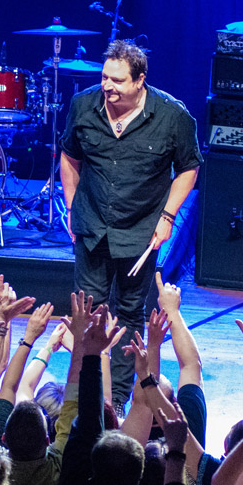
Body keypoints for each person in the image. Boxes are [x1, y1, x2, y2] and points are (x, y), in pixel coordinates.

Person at [59, 39, 201, 414]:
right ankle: (86, 393)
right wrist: (73, 209)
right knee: (88, 311)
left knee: (130, 311)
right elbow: (70, 157)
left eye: (118, 80)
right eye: (105, 77)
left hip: (141, 229)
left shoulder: (173, 116)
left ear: (140, 80)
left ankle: (117, 398)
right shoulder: (82, 106)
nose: (108, 86)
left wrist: (168, 217)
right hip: (92, 225)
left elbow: (189, 168)